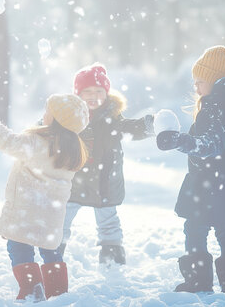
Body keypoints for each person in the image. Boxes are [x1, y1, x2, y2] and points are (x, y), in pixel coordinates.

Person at [156, 45, 225, 293]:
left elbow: (209, 145)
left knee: (195, 227)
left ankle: (198, 282)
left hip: (210, 184)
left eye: (200, 81)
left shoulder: (215, 107)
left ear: (215, 81)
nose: (196, 87)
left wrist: (178, 140)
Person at [0, 93, 89, 301]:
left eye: (47, 112)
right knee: (50, 251)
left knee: (19, 247)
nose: (44, 114)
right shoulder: (74, 151)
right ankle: (58, 293)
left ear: (56, 120)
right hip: (51, 215)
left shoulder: (36, 143)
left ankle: (32, 288)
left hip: (26, 210)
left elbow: (6, 140)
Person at [59, 64, 154, 266]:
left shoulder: (112, 118)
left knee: (108, 220)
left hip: (104, 182)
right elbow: (48, 128)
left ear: (106, 93)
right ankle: (54, 250)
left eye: (99, 91)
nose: (94, 96)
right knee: (61, 218)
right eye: (88, 92)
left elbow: (129, 128)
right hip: (74, 181)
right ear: (78, 94)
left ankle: (112, 254)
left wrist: (148, 125)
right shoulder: (68, 117)